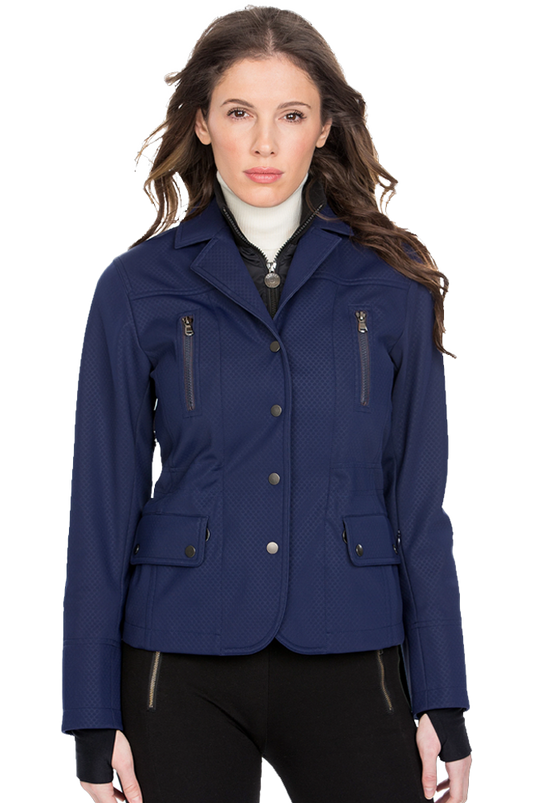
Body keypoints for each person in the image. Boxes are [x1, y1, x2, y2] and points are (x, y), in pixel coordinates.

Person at [59, 4, 474, 801]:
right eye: (238, 112)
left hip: (353, 642)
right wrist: (89, 715)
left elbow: (421, 508)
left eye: (290, 115)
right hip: (179, 653)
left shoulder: (394, 281)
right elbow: (101, 507)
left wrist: (444, 701)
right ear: (202, 122)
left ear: (324, 127)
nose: (262, 143)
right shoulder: (135, 287)